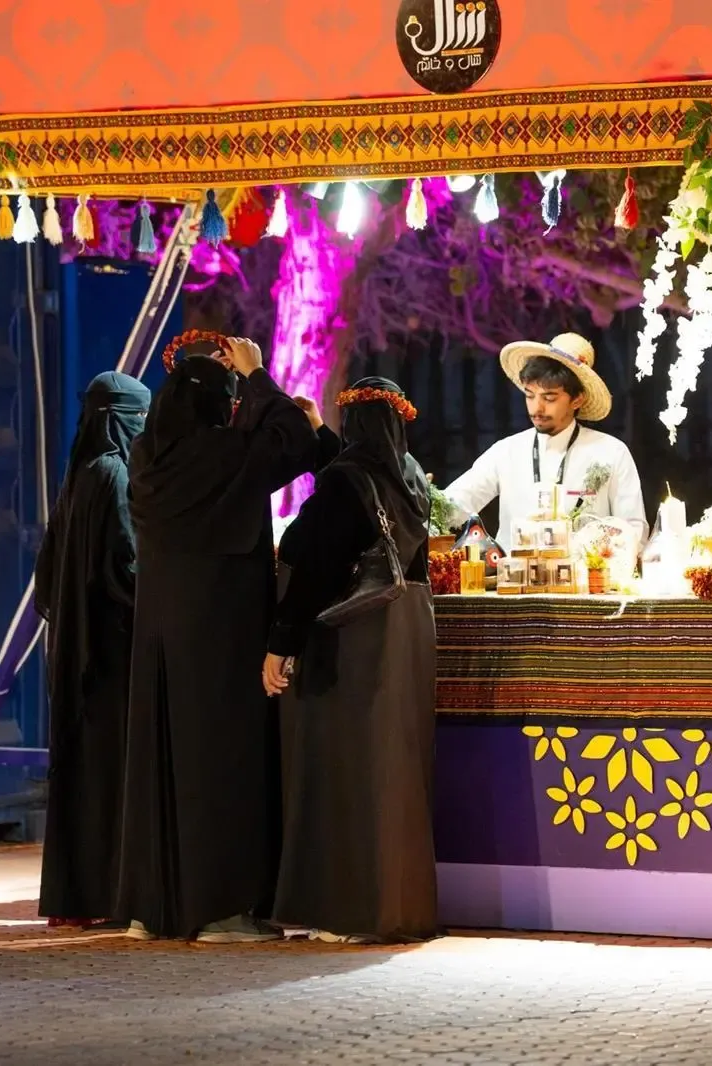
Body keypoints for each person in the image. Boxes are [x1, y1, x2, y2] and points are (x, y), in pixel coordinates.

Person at [118, 337, 320, 943]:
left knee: (162, 761)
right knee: (220, 761)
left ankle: (151, 907)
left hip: (159, 632)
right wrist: (258, 376)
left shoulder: (145, 459)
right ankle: (220, 910)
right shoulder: (219, 456)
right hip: (220, 630)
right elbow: (296, 440)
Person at [263, 378, 439, 945]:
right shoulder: (408, 477)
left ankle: (347, 911)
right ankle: (395, 906)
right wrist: (317, 432)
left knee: (344, 773)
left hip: (351, 641)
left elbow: (308, 560)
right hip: (405, 636)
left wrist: (280, 642)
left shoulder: (345, 484)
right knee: (393, 772)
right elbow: (361, 478)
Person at [32, 371, 150, 929]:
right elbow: (127, 566)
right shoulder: (115, 474)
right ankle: (107, 895)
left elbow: (48, 577)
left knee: (79, 774)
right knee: (110, 774)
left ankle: (73, 898)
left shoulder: (77, 476)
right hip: (110, 654)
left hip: (75, 654)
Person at [442, 332, 648, 551]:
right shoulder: (507, 451)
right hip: (513, 579)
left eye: (549, 398)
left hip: (587, 582)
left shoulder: (611, 452)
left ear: (577, 399)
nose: (536, 408)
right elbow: (456, 502)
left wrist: (602, 551)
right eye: (530, 395)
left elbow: (633, 529)